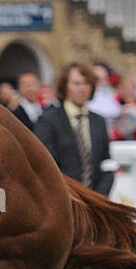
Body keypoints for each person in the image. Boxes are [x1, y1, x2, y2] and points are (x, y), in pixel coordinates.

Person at [34, 62, 114, 195]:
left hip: (95, 202)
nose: (82, 89)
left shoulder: (98, 121)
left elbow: (107, 163)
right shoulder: (48, 120)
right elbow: (45, 165)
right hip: (62, 200)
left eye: (87, 84)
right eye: (77, 84)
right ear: (65, 87)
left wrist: (98, 196)